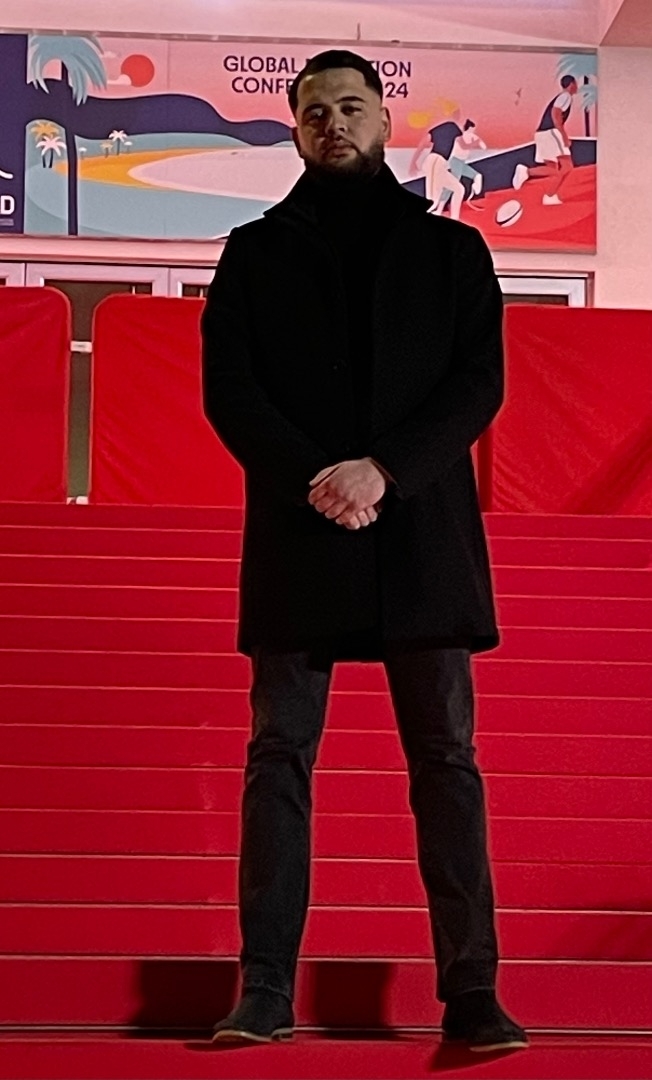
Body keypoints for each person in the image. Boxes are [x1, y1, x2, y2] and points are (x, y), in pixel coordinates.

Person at [202, 49, 528, 1054]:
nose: (333, 123)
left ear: (385, 121)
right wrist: (321, 478)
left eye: (351, 107)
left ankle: (472, 993)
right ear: (295, 129)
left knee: (446, 760)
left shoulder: (452, 251)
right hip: (301, 531)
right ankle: (264, 990)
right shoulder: (254, 252)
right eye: (315, 112)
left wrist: (383, 471)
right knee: (278, 759)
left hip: (421, 531)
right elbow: (230, 392)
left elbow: (477, 385)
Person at [512, 74, 578, 205]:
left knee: (553, 169)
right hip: (551, 132)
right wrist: (564, 136)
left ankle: (544, 190)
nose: (577, 87)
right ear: (571, 84)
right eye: (576, 83)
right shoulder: (566, 96)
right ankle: (548, 194)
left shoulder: (562, 97)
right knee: (567, 166)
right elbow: (556, 114)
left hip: (543, 134)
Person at [409, 112, 466, 219]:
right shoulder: (449, 126)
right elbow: (425, 141)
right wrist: (413, 163)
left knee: (459, 189)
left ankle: (454, 220)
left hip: (440, 163)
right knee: (432, 202)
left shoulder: (454, 129)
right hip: (435, 161)